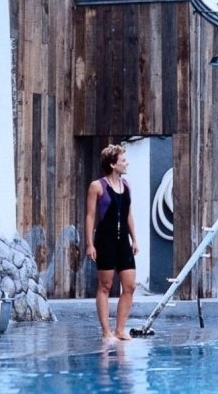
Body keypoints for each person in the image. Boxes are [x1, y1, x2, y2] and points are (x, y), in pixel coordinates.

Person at [85, 144, 138, 341]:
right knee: (105, 286)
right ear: (113, 164)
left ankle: (120, 329)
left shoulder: (127, 186)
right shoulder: (97, 186)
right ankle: (106, 331)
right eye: (123, 160)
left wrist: (134, 239)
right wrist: (90, 244)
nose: (126, 163)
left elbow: (128, 214)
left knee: (130, 286)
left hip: (123, 241)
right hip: (105, 240)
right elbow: (90, 216)